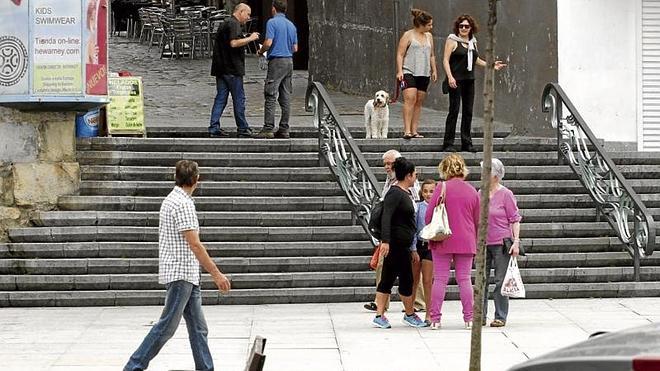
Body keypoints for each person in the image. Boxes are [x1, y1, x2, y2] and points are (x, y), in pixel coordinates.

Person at [124, 160, 231, 371]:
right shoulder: (183, 204)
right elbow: (194, 244)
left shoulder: (172, 199)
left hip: (187, 274)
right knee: (166, 327)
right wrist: (216, 274)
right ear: (196, 180)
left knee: (199, 329)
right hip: (181, 273)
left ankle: (206, 368)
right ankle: (133, 367)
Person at [364, 149, 425, 313]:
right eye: (385, 164)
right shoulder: (395, 190)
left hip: (402, 240)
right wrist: (385, 240)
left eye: (390, 164)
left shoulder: (405, 188)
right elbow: (387, 215)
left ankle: (412, 307)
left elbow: (414, 207)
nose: (387, 167)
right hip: (395, 241)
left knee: (401, 277)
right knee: (392, 277)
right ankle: (386, 310)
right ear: (408, 175)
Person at [426, 154, 479, 330]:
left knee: (440, 279)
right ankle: (469, 318)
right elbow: (478, 220)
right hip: (467, 240)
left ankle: (435, 319)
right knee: (464, 279)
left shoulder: (442, 187)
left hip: (443, 238)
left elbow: (428, 216)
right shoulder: (472, 190)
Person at [441, 14, 507, 153]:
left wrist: (491, 65)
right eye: (461, 26)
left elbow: (476, 59)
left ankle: (467, 142)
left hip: (469, 80)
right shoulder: (452, 40)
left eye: (466, 26)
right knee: (454, 110)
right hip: (456, 80)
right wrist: (450, 77)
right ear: (457, 27)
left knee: (468, 111)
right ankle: (448, 143)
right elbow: (445, 60)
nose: (463, 28)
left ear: (471, 28)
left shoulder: (472, 42)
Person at [208, 3, 259, 138]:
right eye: (247, 14)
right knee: (238, 98)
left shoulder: (226, 23)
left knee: (221, 98)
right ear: (241, 12)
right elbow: (234, 43)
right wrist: (251, 38)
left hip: (220, 68)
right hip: (232, 68)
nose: (248, 18)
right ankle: (242, 127)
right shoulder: (234, 24)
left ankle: (214, 127)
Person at [481, 158, 522, 328]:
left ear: (496, 176)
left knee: (500, 281)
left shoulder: (506, 194)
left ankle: (500, 316)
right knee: (481, 280)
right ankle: (479, 315)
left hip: (501, 242)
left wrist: (516, 242)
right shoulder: (480, 192)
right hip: (483, 242)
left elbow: (515, 219)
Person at [255, 0, 298, 139]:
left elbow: (268, 42)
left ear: (273, 9)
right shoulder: (291, 25)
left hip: (277, 61)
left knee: (270, 94)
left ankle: (268, 127)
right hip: (289, 61)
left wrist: (261, 51)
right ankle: (284, 128)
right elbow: (295, 48)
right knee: (285, 96)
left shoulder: (272, 22)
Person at [396, 8, 438, 140]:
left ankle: (414, 130)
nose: (431, 27)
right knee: (410, 99)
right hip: (409, 71)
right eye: (429, 25)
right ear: (421, 24)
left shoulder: (429, 37)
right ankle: (407, 130)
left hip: (424, 72)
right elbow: (400, 54)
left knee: (419, 101)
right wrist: (400, 70)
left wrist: (434, 69)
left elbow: (431, 55)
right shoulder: (408, 35)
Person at [410, 179, 436, 325]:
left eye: (431, 191)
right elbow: (413, 228)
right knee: (414, 280)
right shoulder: (418, 207)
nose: (428, 194)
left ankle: (429, 313)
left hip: (431, 246)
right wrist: (413, 248)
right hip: (418, 245)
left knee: (428, 280)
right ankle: (411, 310)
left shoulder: (439, 208)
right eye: (425, 191)